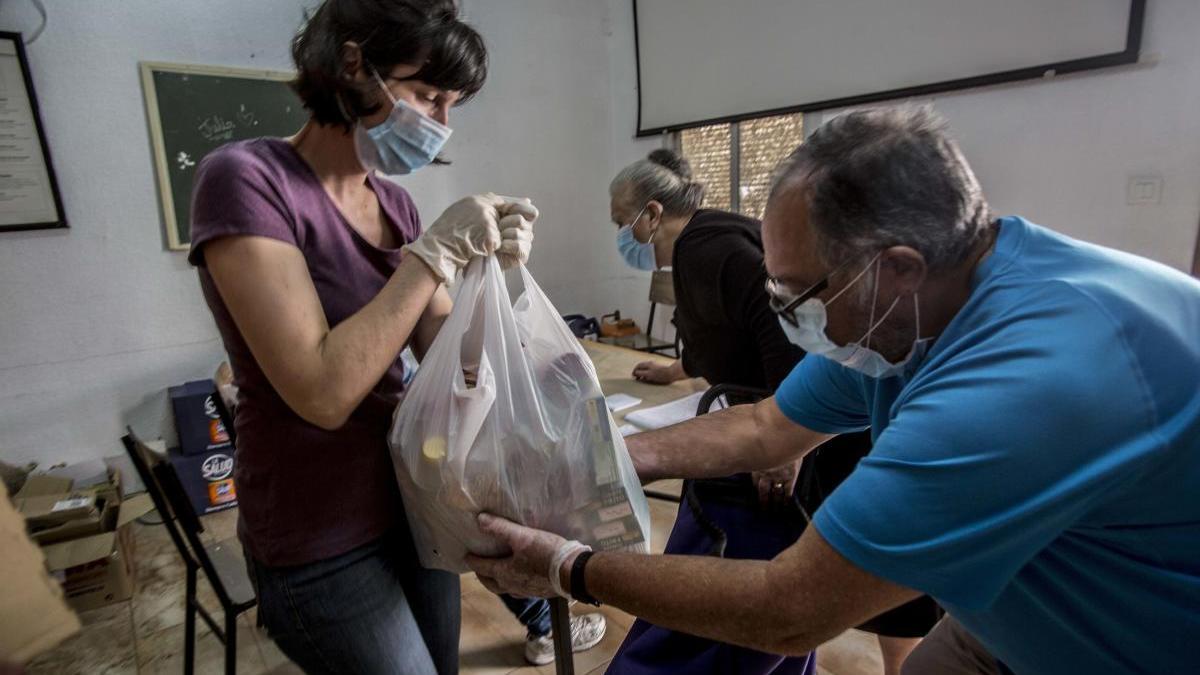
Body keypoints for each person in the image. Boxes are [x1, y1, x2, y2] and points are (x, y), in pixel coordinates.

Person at [465, 107, 1200, 674]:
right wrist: (608, 457)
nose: (787, 316)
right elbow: (763, 427)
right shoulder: (928, 303)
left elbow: (791, 608)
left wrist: (568, 566)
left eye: (798, 292)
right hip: (1022, 602)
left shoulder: (1021, 390)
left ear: (898, 266)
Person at [186, 2, 539, 672]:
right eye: (427, 97)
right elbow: (323, 392)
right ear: (355, 67)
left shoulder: (395, 205)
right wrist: (433, 254)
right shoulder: (246, 180)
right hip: (317, 533)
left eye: (451, 105)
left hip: (411, 500)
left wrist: (492, 273)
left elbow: (452, 358)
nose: (440, 125)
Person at [608, 150, 938, 673]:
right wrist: (627, 442)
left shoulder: (709, 250)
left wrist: (575, 568)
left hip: (815, 429)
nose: (622, 235)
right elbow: (747, 389)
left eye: (621, 222)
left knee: (892, 603)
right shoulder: (713, 240)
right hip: (795, 423)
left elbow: (788, 611)